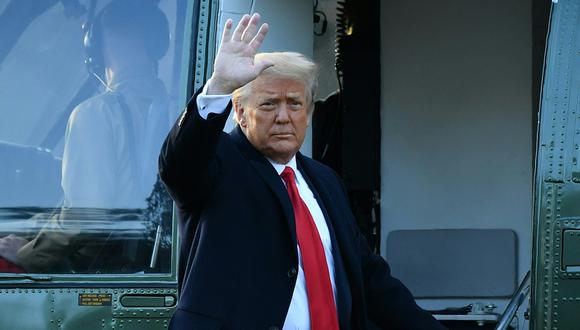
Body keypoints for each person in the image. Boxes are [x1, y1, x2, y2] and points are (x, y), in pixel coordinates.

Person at [159, 13, 446, 330]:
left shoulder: (325, 180)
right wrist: (220, 86)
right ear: (240, 112)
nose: (283, 117)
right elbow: (180, 166)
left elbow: (368, 277)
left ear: (308, 113)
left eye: (294, 103)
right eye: (269, 104)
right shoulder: (220, 160)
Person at [0, 0, 171, 272]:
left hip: (95, 268)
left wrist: (29, 253)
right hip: (141, 261)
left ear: (98, 43)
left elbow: (86, 216)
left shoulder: (96, 113)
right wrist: (34, 227)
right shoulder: (174, 110)